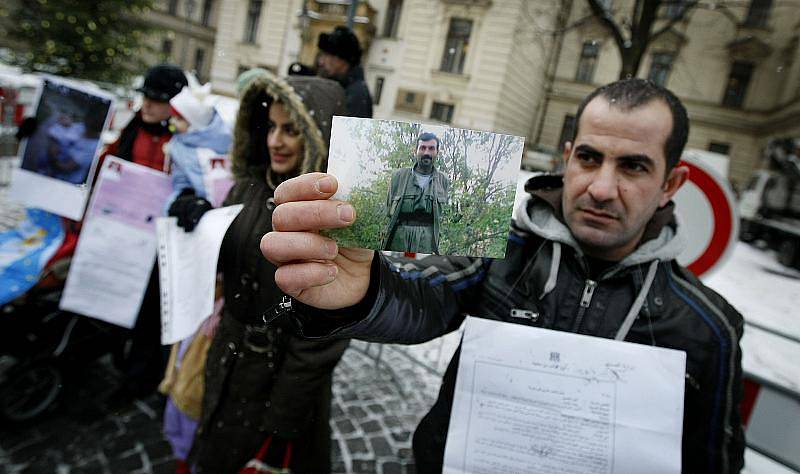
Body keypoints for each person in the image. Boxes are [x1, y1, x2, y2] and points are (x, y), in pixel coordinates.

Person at [261, 79, 746, 473]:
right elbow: (428, 296)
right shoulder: (506, 252)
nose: (601, 187)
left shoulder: (706, 329)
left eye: (633, 167)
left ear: (671, 184)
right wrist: (364, 291)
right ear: (567, 156)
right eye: (590, 158)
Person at [175, 70, 349, 473]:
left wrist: (280, 424)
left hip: (281, 374)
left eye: (291, 130)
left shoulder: (330, 214)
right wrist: (199, 222)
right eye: (270, 126)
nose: (275, 141)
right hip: (230, 354)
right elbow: (226, 261)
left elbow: (321, 341)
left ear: (316, 136)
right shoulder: (249, 186)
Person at [104, 63, 188, 404]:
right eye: (145, 97)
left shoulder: (183, 138)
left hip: (160, 246)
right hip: (123, 235)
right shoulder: (132, 129)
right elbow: (104, 165)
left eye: (157, 100)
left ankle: (139, 380)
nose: (147, 105)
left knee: (150, 316)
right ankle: (121, 360)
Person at [163, 84, 232, 226]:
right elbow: (180, 179)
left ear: (194, 124)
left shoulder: (213, 149)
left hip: (211, 212)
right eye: (173, 117)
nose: (173, 123)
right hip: (189, 205)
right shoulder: (179, 142)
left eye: (180, 119)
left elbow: (209, 184)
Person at [382, 132, 451, 254]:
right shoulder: (398, 177)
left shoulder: (443, 180)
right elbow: (389, 210)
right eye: (422, 148)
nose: (426, 153)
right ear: (415, 151)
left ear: (437, 153)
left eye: (431, 148)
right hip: (399, 237)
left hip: (427, 240)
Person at [316, 25, 373, 118]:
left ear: (341, 59)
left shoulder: (356, 95)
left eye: (326, 55)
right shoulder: (341, 87)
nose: (321, 62)